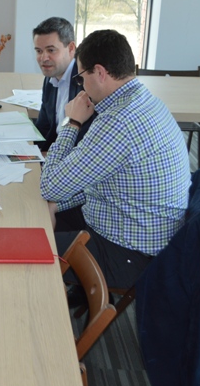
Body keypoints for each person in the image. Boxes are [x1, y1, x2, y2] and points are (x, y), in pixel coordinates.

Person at [40, 29, 190, 290]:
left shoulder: (118, 122)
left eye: (81, 77)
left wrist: (72, 122)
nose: (81, 86)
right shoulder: (146, 101)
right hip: (145, 232)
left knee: (30, 245)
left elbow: (50, 186)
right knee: (41, 214)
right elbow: (96, 183)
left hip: (129, 254)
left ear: (99, 72)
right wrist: (56, 205)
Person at [32, 17, 92, 150]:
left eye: (51, 50)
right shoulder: (50, 77)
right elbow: (43, 128)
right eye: (39, 51)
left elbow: (85, 141)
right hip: (54, 152)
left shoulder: (86, 81)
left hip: (74, 156)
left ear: (71, 48)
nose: (43, 58)